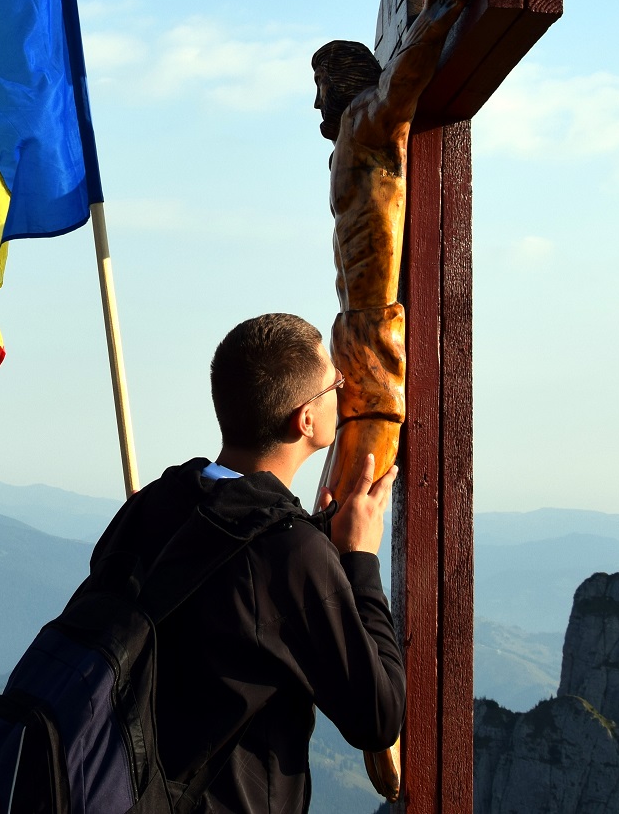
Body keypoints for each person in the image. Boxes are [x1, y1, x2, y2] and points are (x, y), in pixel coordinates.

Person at [84, 312, 404, 814]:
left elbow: (228, 585)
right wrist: (360, 559)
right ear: (305, 419)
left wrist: (313, 535)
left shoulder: (151, 504)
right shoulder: (289, 554)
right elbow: (378, 717)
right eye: (335, 383)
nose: (344, 391)